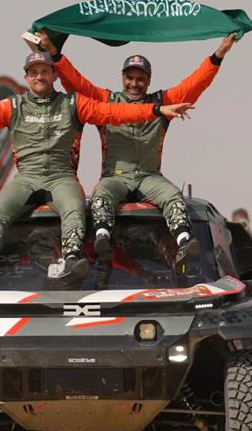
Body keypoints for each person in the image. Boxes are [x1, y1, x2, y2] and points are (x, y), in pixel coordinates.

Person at [0, 51, 193, 288]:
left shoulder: (74, 104)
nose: (39, 76)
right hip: (27, 177)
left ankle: (74, 261)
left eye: (44, 71)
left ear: (53, 75)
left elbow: (113, 111)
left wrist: (155, 110)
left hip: (62, 175)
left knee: (74, 207)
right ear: (26, 77)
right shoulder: (13, 106)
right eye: (33, 72)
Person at [37, 30, 233, 270]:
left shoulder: (162, 102)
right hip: (115, 178)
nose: (134, 84)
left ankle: (183, 243)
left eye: (140, 79)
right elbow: (75, 82)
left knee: (174, 197)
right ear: (122, 77)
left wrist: (219, 54)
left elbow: (196, 83)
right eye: (129, 77)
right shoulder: (105, 101)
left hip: (149, 177)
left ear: (149, 80)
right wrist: (55, 54)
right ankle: (102, 240)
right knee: (101, 199)